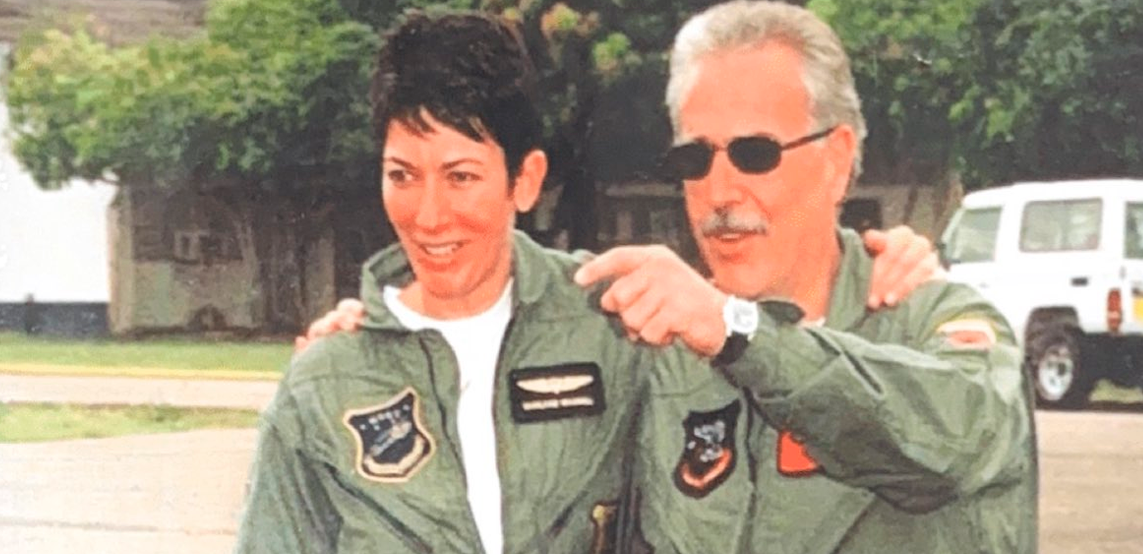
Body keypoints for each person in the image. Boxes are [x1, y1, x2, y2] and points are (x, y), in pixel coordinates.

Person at [244, 9, 941, 554]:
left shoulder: (615, 320)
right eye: (402, 175)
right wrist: (344, 358)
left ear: (526, 180)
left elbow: (777, 362)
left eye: (461, 176)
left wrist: (865, 262)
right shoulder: (325, 382)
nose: (428, 215)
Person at [573, 1, 1037, 552]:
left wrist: (738, 334)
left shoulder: (929, 321)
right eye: (695, 159)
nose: (720, 192)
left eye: (755, 154)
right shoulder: (661, 348)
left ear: (836, 159)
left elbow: (955, 438)